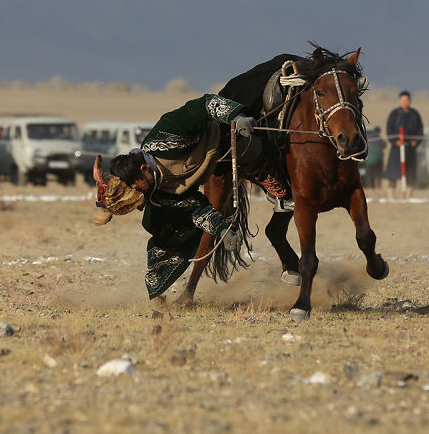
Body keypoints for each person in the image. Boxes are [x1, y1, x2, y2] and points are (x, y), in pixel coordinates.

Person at [95, 93, 290, 300]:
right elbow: (196, 208)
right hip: (212, 161)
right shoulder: (157, 191)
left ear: (144, 168)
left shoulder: (167, 131)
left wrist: (235, 117)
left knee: (257, 137)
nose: (136, 190)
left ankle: (282, 192)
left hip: (220, 130)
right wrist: (223, 229)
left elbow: (203, 104)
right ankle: (161, 293)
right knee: (163, 237)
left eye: (135, 184)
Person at [383, 91, 423, 197]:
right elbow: (389, 129)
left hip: (410, 148)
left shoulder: (415, 114)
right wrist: (394, 141)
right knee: (393, 173)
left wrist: (416, 141)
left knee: (410, 174)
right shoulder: (394, 114)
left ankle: (409, 194)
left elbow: (420, 130)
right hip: (397, 148)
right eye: (403, 100)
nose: (405, 102)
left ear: (410, 101)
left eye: (407, 100)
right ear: (400, 101)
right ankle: (391, 194)